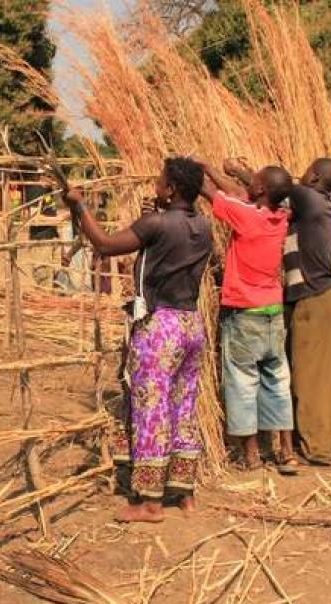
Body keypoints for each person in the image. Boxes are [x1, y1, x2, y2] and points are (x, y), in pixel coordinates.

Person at [64, 157, 213, 523]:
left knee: (152, 410)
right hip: (191, 324)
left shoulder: (156, 223)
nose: (156, 185)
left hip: (160, 327)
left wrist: (79, 204)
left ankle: (148, 502)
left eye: (161, 181)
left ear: (173, 187)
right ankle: (184, 493)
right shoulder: (203, 225)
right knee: (183, 407)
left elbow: (104, 244)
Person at [198, 159, 298, 474]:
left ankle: (252, 454)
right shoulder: (281, 217)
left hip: (244, 313)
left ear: (260, 189)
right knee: (277, 380)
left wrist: (196, 168)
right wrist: (213, 167)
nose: (247, 181)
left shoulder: (246, 217)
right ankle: (286, 451)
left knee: (242, 382)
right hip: (273, 312)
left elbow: (211, 193)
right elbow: (239, 194)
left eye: (252, 179)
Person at [283, 158, 331, 465]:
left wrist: (237, 172)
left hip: (315, 299)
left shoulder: (309, 197)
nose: (302, 172)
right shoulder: (324, 206)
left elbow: (276, 184)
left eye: (308, 169)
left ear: (316, 176)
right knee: (330, 378)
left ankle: (316, 447)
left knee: (308, 377)